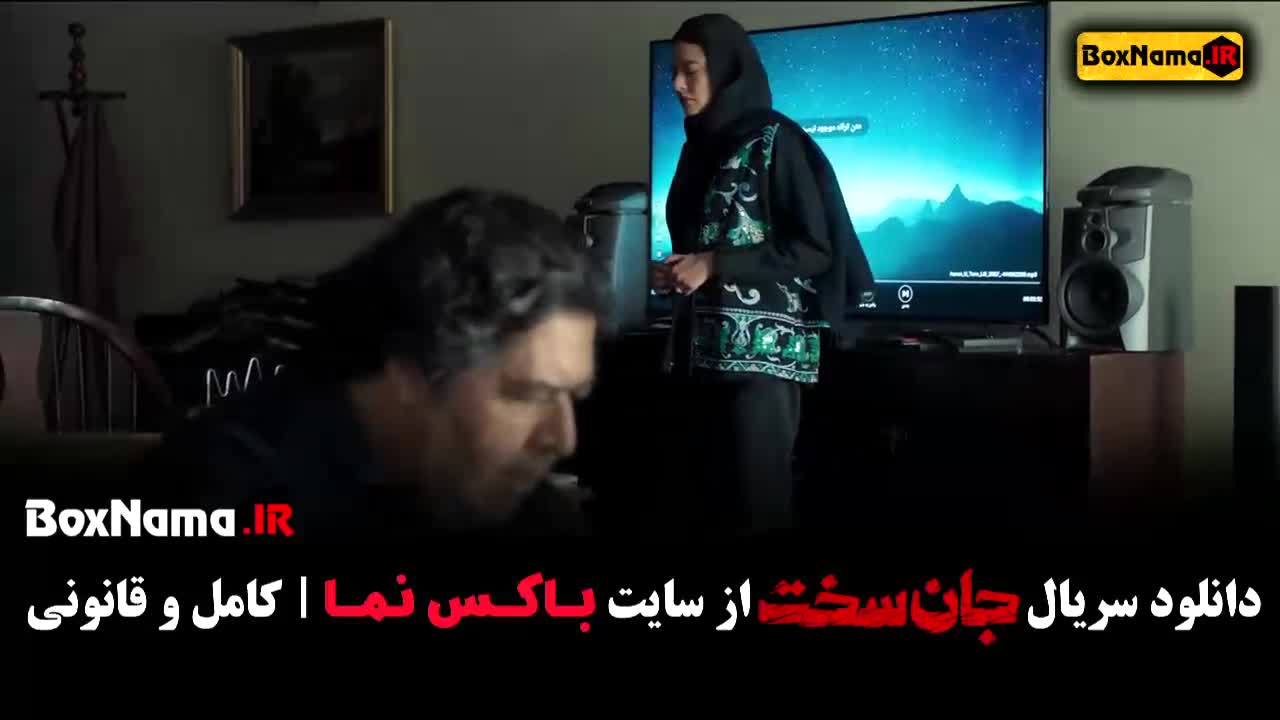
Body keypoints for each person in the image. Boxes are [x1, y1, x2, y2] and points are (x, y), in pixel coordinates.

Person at [137, 189, 612, 540]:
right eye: (531, 395)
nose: (563, 438)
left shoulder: (514, 503)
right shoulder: (215, 500)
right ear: (410, 371)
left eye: (572, 396)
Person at [653, 14, 874, 534]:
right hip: (695, 361)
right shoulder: (696, 148)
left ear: (727, 70)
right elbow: (701, 245)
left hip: (762, 368)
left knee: (759, 512)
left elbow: (815, 249)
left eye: (690, 71)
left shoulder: (777, 140)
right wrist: (678, 271)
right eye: (673, 72)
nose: (677, 84)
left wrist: (715, 263)